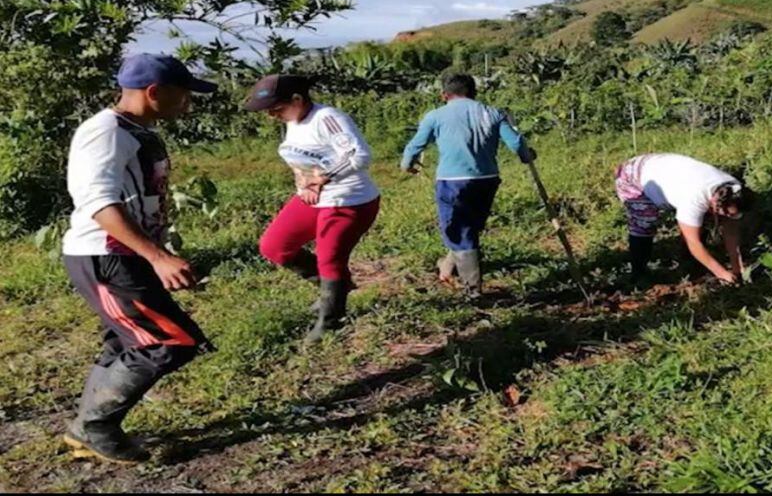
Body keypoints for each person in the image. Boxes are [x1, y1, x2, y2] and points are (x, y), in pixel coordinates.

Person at [61, 54, 217, 464]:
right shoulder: (105, 132)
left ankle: (86, 427)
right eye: (183, 95)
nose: (187, 103)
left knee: (126, 341)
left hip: (125, 255)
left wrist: (155, 253)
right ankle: (95, 427)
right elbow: (98, 202)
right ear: (154, 92)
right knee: (166, 342)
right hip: (106, 256)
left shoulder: (135, 130)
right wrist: (157, 256)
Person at [244, 74, 380, 344]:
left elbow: (359, 154)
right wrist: (307, 184)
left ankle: (331, 321)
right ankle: (332, 289)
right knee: (274, 246)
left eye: (276, 108)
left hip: (348, 199)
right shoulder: (293, 120)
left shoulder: (327, 118)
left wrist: (324, 177)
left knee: (329, 258)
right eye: (268, 111)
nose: (271, 115)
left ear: (297, 99)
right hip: (313, 198)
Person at [400, 73, 535, 293]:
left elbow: (416, 145)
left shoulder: (435, 116)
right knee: (469, 227)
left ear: (444, 94)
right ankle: (447, 268)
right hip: (487, 179)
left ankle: (473, 290)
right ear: (474, 92)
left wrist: (407, 165)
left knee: (458, 229)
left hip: (453, 182)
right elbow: (516, 142)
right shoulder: (492, 112)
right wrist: (527, 155)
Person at [614, 153, 749, 284]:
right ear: (715, 201)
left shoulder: (733, 189)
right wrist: (722, 273)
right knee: (645, 221)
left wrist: (737, 267)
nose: (728, 216)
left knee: (703, 219)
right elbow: (694, 242)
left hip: (662, 168)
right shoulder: (693, 199)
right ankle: (638, 273)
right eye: (724, 212)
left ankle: (689, 260)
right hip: (632, 176)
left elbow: (731, 232)